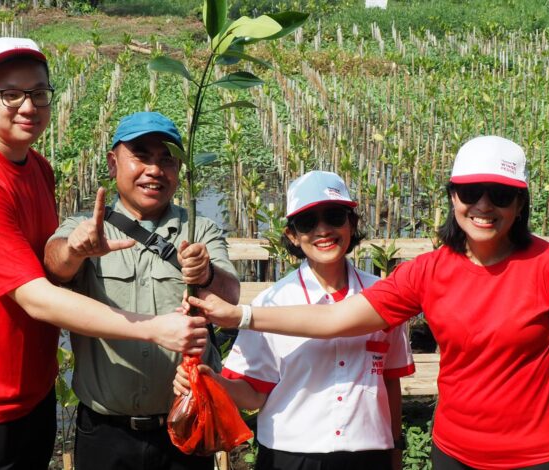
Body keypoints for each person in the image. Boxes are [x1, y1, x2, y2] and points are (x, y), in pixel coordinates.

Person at [188, 136, 549, 469]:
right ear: (453, 198)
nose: (484, 206)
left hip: (537, 453)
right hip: (454, 451)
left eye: (501, 195)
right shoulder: (427, 272)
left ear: (520, 203)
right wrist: (237, 315)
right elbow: (337, 319)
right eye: (471, 192)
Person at [0, 38, 208, 470]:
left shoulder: (36, 168)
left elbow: (18, 259)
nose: (27, 106)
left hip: (33, 389)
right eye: (10, 93)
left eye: (38, 93)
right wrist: (154, 328)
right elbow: (33, 294)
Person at [174, 171, 414, 470]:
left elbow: (390, 380)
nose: (323, 230)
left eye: (334, 216)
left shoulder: (383, 297)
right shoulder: (271, 303)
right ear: (292, 236)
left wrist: (395, 449)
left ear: (352, 223)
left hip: (368, 455)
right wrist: (214, 380)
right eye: (307, 222)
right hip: (291, 456)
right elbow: (253, 395)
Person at [43, 111, 241, 470]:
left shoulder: (200, 230)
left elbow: (230, 296)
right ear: (112, 161)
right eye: (141, 156)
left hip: (184, 423)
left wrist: (207, 273)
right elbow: (54, 266)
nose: (155, 169)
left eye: (167, 160)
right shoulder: (87, 227)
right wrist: (75, 249)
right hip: (105, 433)